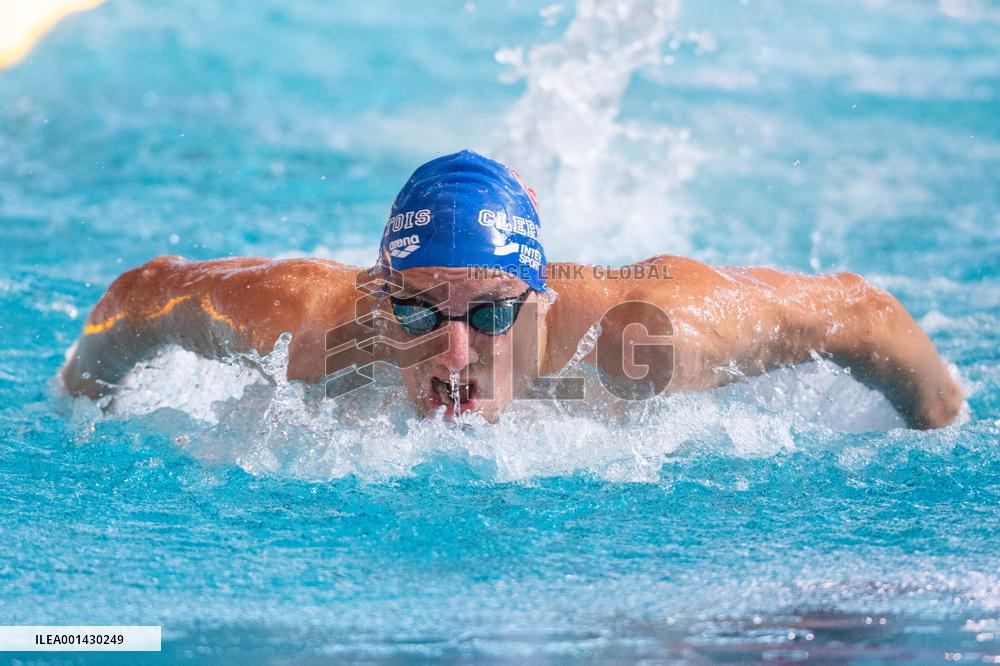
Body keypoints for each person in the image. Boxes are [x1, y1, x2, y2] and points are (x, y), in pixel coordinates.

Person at [61, 150, 963, 429]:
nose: (453, 352)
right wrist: (74, 402)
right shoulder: (305, 324)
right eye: (416, 309)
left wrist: (943, 430)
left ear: (538, 303)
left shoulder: (648, 335)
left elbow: (863, 313)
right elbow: (142, 295)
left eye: (491, 313)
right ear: (378, 293)